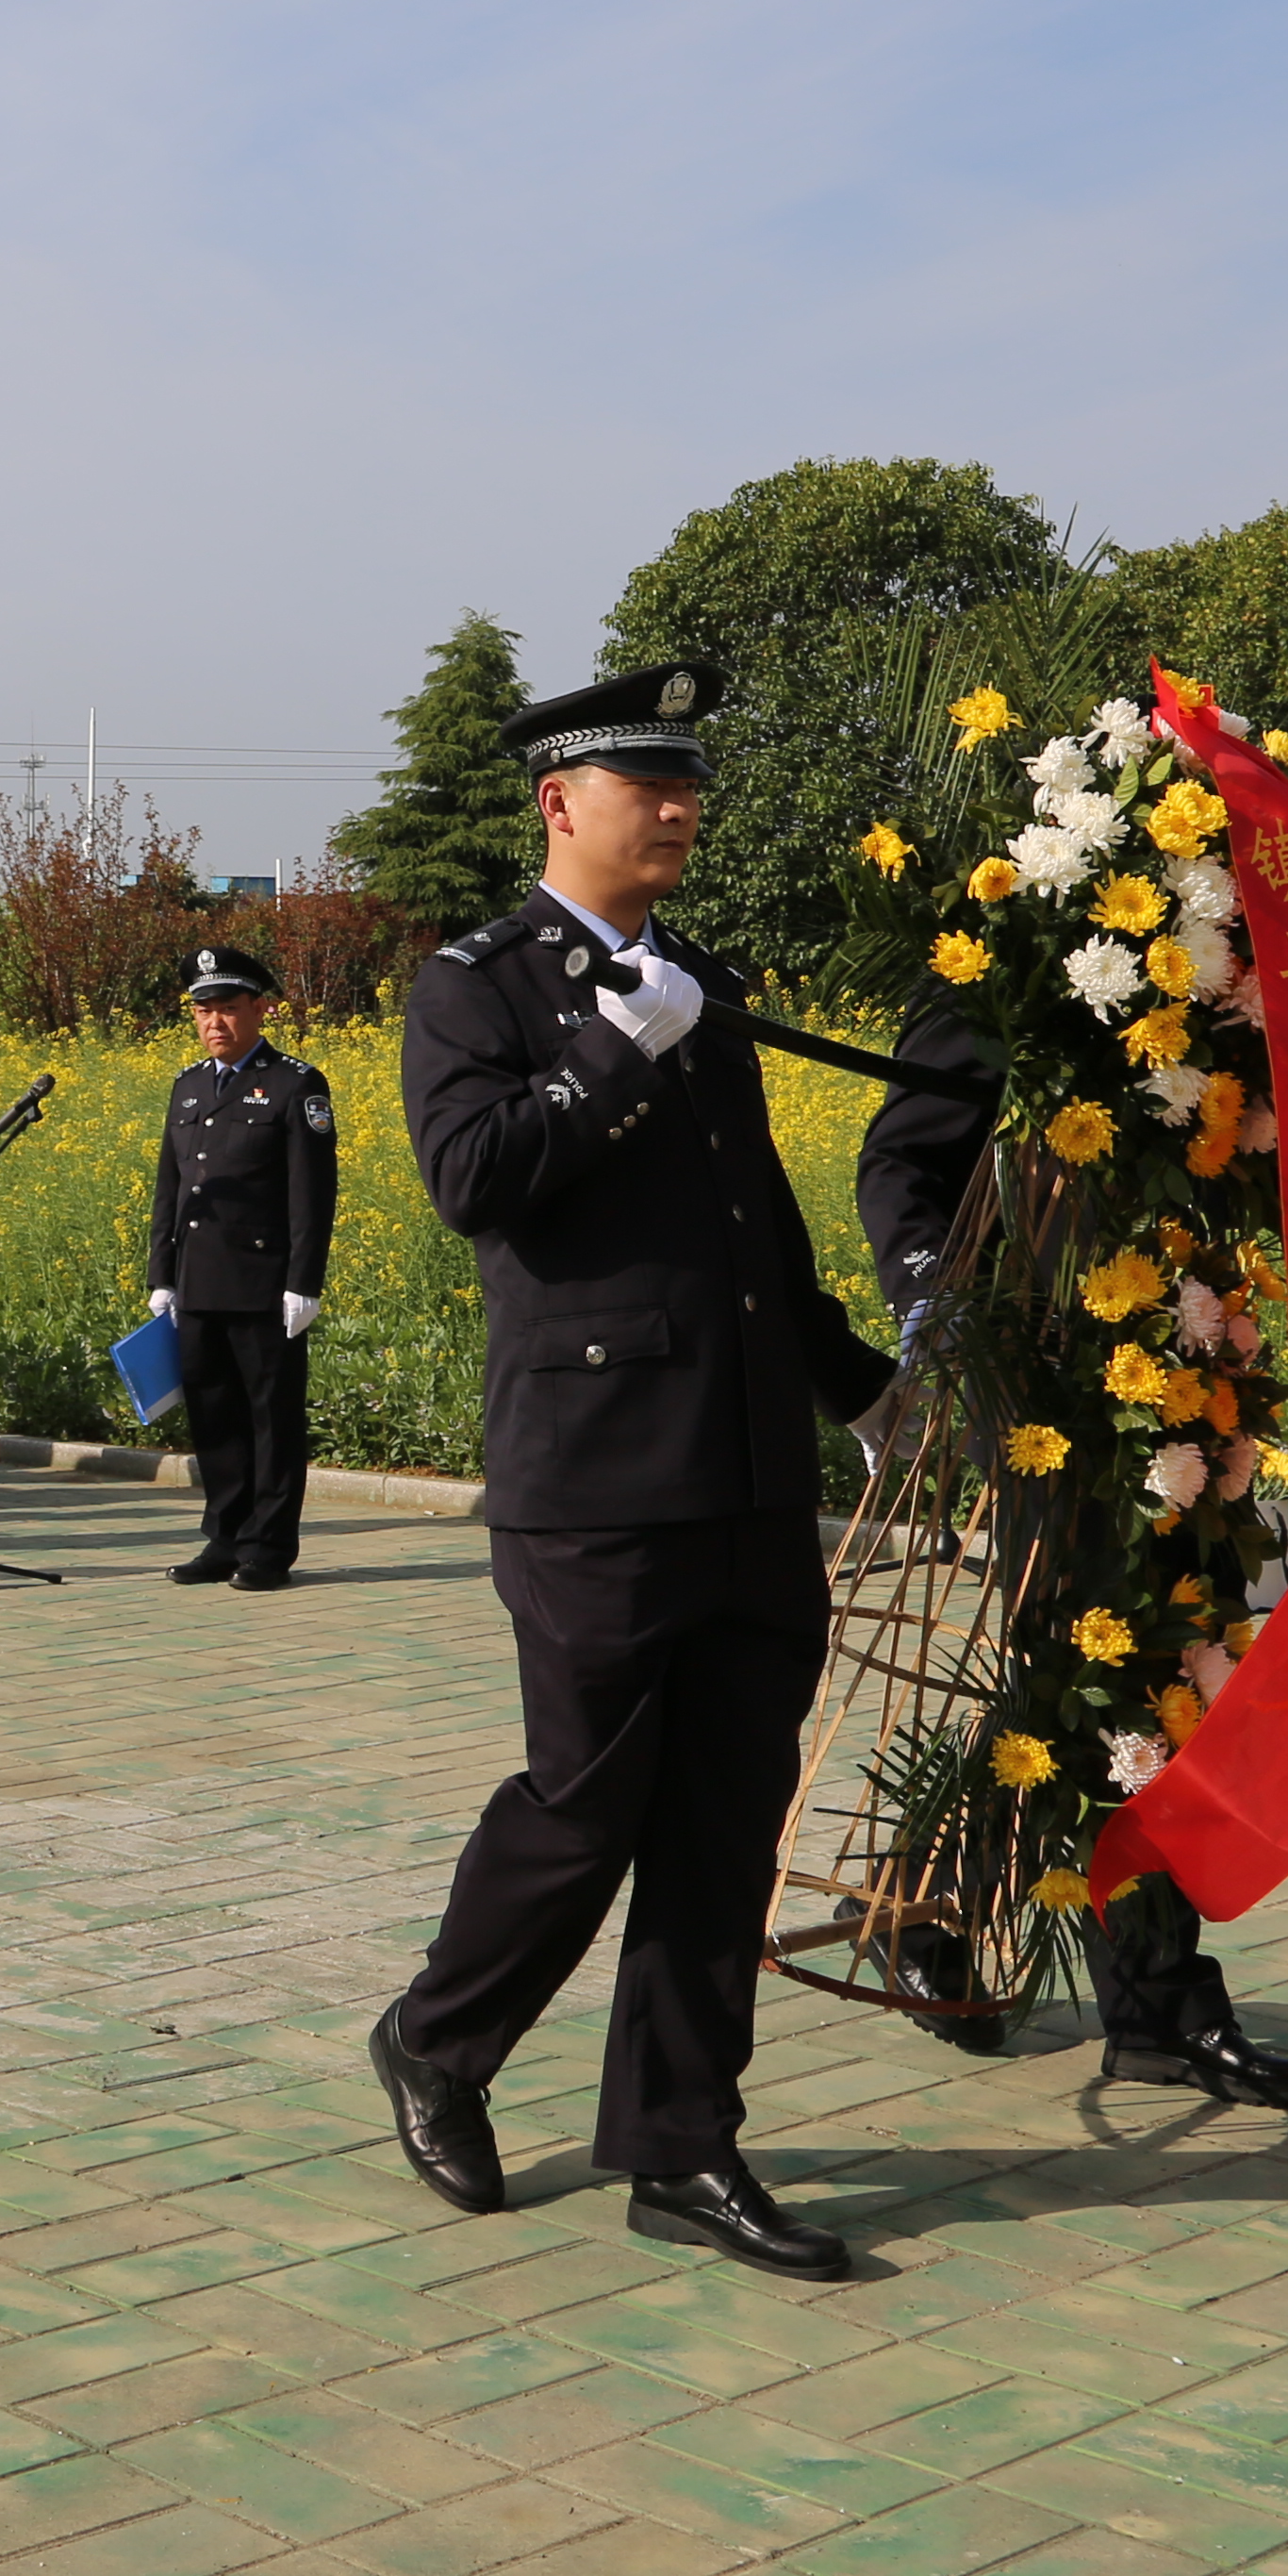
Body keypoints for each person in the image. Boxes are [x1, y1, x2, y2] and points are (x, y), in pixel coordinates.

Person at [367, 660, 896, 2283]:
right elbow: (473, 1180)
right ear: (559, 803)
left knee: (727, 1818)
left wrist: (855, 1390)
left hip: (743, 1470)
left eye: (689, 785)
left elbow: (755, 1221)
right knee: (586, 1802)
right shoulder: (476, 988)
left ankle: (682, 2145)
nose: (678, 808)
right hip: (594, 1474)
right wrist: (606, 1056)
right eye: (645, 785)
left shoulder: (698, 979)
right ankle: (438, 2041)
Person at [851, 1001, 1288, 2110]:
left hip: (1185, 1365)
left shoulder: (1217, 983)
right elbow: (901, 1164)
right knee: (1106, 1671)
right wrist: (942, 1308)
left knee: (1158, 1658)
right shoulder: (1004, 970)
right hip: (1048, 1387)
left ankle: (923, 1894)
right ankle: (1157, 2003)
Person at [143, 939, 339, 1588]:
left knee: (270, 1420)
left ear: (259, 1009)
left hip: (262, 1285)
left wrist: (303, 1282)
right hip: (198, 1282)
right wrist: (162, 1275)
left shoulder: (295, 1084)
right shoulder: (189, 1086)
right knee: (214, 1417)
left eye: (227, 1008)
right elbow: (171, 1189)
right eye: (203, 1012)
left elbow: (312, 1193)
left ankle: (268, 1548)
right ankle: (224, 1538)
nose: (214, 1023)